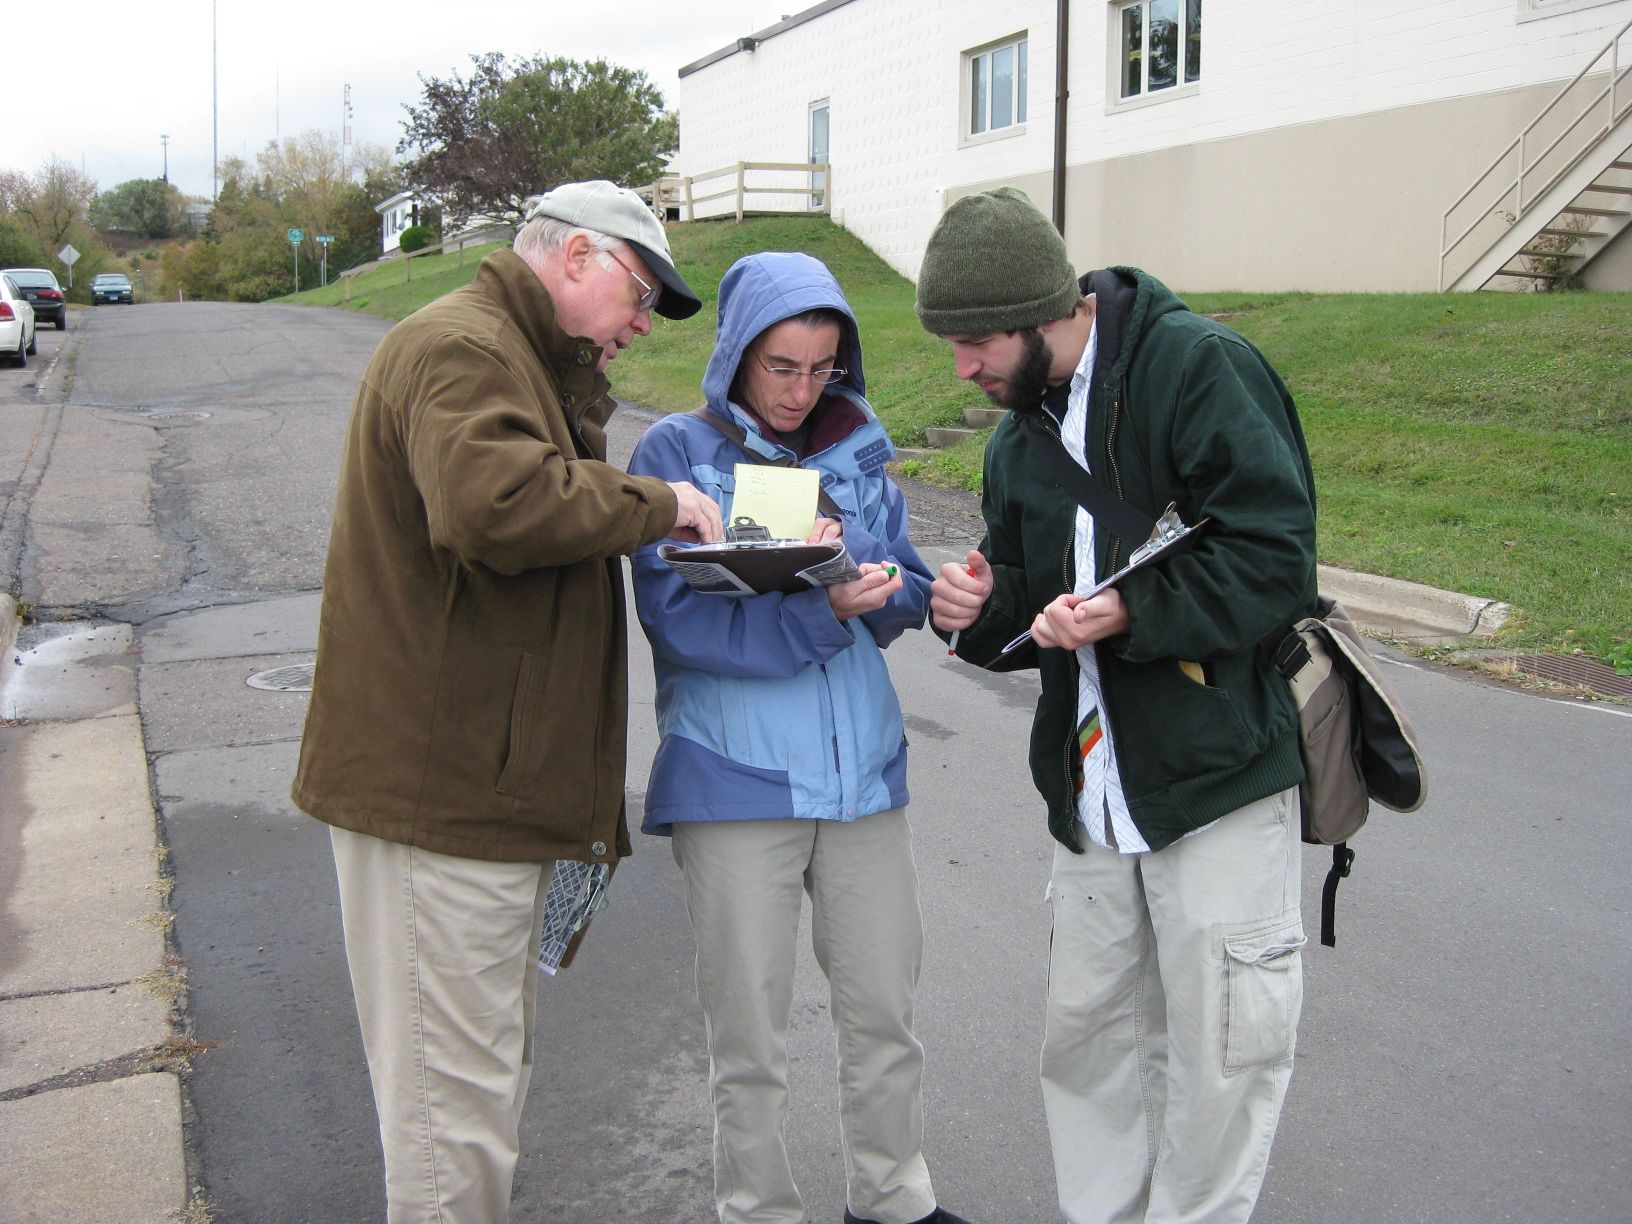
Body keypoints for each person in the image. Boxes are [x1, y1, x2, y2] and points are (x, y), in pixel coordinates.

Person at [290, 179, 723, 1224]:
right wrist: (659, 505)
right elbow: (496, 503)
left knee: (475, 1096)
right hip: (444, 808)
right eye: (637, 292)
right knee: (452, 1128)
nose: (637, 324)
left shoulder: (509, 355)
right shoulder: (467, 348)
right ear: (575, 256)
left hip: (480, 804)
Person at [916, 187, 1318, 1224]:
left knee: (1222, 1050)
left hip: (1216, 782)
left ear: (1045, 308)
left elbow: (1273, 561)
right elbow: (1022, 598)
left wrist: (1128, 610)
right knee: (1087, 1043)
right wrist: (973, 609)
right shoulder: (1017, 439)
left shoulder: (1197, 369)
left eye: (975, 343)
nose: (963, 369)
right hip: (1090, 798)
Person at [626, 252, 970, 1224]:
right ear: (736, 352)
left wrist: (927, 596)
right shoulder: (672, 454)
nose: (801, 388)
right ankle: (757, 1209)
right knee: (749, 1038)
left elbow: (894, 583)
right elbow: (678, 625)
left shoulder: (857, 445)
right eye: (782, 365)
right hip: (733, 784)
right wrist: (822, 616)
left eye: (822, 366)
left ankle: (894, 1200)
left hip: (862, 780)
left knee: (884, 1016)